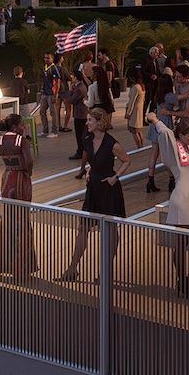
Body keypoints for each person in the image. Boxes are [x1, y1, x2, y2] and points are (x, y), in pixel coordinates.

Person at [59, 109, 126, 283]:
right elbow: (89, 158)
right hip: (93, 188)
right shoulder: (88, 140)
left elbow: (127, 160)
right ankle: (72, 268)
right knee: (83, 228)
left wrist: (115, 177)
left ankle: (105, 271)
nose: (87, 122)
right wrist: (87, 170)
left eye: (90, 120)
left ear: (99, 122)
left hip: (108, 188)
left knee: (110, 230)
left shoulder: (112, 143)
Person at [152, 114, 189, 296]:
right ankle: (183, 281)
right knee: (181, 243)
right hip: (181, 199)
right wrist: (155, 119)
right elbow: (166, 132)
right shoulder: (174, 148)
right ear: (181, 136)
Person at [0, 116, 36, 279]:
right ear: (16, 126)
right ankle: (21, 267)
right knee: (22, 220)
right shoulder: (21, 141)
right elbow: (29, 161)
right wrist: (28, 172)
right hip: (20, 178)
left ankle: (4, 263)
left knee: (8, 219)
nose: (24, 126)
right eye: (23, 124)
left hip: (7, 178)